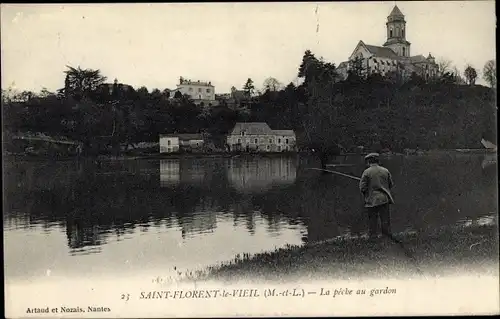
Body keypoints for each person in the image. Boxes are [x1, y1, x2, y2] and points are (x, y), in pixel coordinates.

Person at [359, 153, 395, 240]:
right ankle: (386, 236)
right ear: (378, 161)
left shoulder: (366, 172)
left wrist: (367, 193)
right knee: (385, 219)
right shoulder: (385, 170)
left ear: (368, 161)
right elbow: (391, 184)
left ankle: (373, 237)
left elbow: (362, 188)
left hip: (372, 200)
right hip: (384, 199)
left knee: (372, 220)